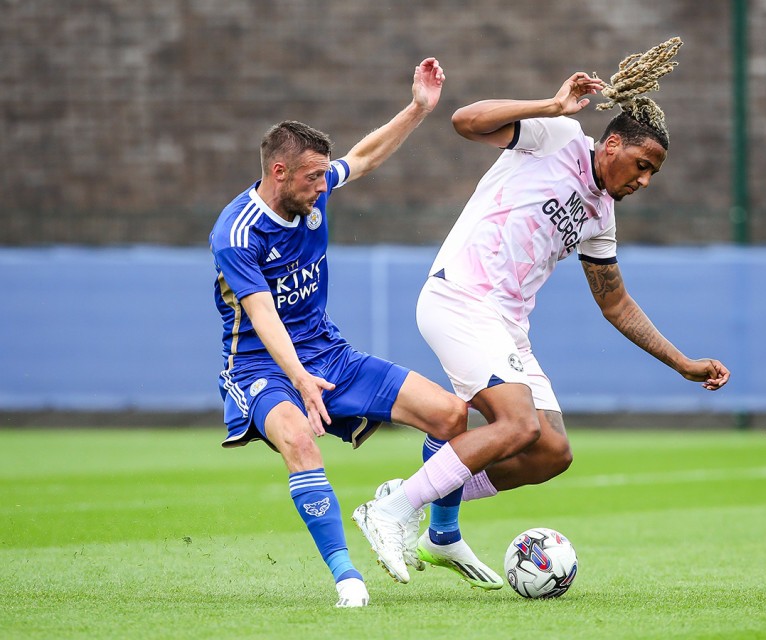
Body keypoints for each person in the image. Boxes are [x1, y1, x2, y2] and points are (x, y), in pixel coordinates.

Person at [352, 38, 731, 589]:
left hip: (506, 324)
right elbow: (466, 120)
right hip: (460, 298)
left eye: (653, 174)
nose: (644, 180)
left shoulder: (601, 215)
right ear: (613, 143)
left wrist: (681, 363)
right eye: (642, 164)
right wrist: (551, 107)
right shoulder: (560, 137)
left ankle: (437, 523)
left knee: (550, 451)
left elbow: (615, 302)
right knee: (517, 424)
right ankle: (390, 509)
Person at [209, 58, 469, 608]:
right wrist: (300, 379)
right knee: (301, 443)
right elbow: (262, 314)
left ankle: (442, 536)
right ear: (278, 172)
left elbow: (367, 155)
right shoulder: (236, 232)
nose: (323, 184)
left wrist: (419, 108)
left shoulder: (316, 188)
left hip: (329, 353)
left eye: (325, 174)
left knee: (451, 416)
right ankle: (347, 577)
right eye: (312, 176)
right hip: (260, 367)